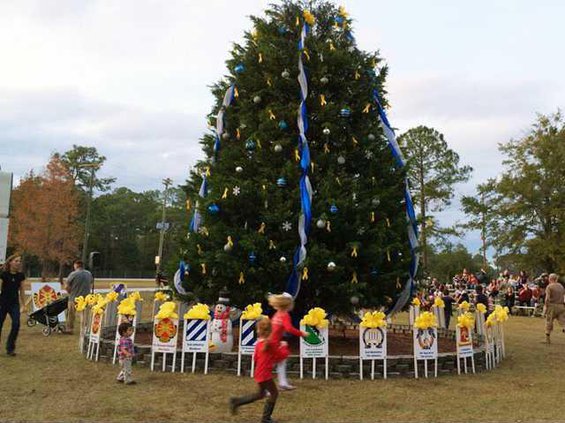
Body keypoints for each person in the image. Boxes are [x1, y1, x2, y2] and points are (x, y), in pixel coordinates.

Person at [230, 317, 288, 423]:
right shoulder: (269, 344)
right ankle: (265, 418)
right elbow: (281, 355)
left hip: (259, 373)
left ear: (258, 331)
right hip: (265, 374)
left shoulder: (259, 344)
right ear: (270, 330)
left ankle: (236, 401)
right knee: (274, 394)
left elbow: (255, 358)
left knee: (260, 394)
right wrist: (284, 346)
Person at [268, 292, 307, 391]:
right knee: (270, 365)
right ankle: (268, 387)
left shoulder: (277, 314)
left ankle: (282, 383)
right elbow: (289, 329)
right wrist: (301, 333)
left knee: (280, 361)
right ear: (288, 305)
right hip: (274, 343)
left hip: (272, 341)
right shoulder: (285, 315)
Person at [0, 254, 26, 356]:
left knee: (16, 324)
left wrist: (23, 305)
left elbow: (22, 290)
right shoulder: (3, 274)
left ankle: (10, 348)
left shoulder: (20, 276)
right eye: (16, 261)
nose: (18, 263)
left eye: (19, 261)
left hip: (14, 304)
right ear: (10, 262)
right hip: (2, 303)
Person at [64, 259, 93, 334]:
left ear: (76, 265)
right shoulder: (88, 273)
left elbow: (66, 286)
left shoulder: (73, 274)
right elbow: (91, 284)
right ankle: (85, 329)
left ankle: (69, 329)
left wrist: (70, 292)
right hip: (86, 298)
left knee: (71, 314)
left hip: (74, 297)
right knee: (84, 315)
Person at [543, 273, 565, 344]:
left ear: (550, 279)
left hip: (552, 306)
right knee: (563, 321)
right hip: (561, 306)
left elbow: (547, 298)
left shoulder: (549, 287)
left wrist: (546, 306)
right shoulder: (561, 286)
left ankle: (547, 339)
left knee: (549, 321)